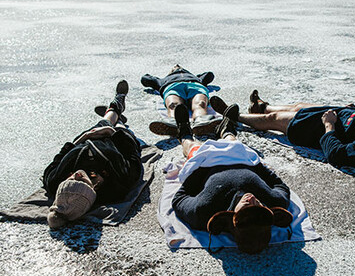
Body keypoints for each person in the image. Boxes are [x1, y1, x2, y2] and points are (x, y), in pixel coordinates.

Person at [209, 90, 355, 175]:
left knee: (276, 120)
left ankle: (234, 116)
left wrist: (329, 125)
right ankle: (262, 105)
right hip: (346, 114)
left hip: (319, 127)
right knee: (298, 106)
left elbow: (338, 155)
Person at [170, 102, 293, 253]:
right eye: (259, 205)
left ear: (234, 217)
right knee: (234, 142)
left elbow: (179, 199)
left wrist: (199, 171)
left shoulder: (203, 211)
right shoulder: (276, 202)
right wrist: (259, 167)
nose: (252, 199)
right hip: (241, 159)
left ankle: (184, 134)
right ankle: (226, 130)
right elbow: (280, 186)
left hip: (207, 164)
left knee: (194, 149)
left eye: (247, 206)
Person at [43, 80, 143, 228]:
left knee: (104, 122)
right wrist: (113, 133)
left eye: (69, 178)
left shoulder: (54, 181)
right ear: (94, 188)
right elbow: (132, 155)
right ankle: (118, 117)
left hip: (89, 138)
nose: (76, 175)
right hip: (119, 141)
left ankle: (115, 106)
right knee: (121, 128)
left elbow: (60, 156)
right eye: (81, 181)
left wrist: (84, 137)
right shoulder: (119, 184)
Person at [141, 64, 221, 135]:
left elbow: (209, 75)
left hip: (195, 85)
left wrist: (193, 75)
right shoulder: (163, 80)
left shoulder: (196, 78)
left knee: (200, 103)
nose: (177, 66)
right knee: (174, 105)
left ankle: (202, 122)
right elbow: (145, 79)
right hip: (173, 86)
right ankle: (173, 123)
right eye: (174, 67)